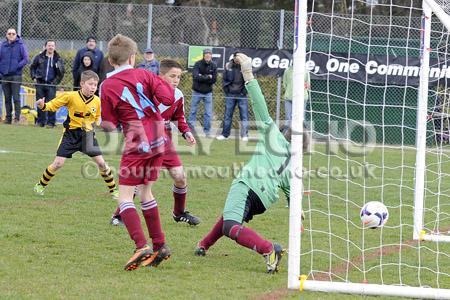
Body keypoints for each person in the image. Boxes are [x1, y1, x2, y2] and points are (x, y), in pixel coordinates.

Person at [194, 53, 307, 274]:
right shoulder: (294, 162)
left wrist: (247, 71)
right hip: (264, 201)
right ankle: (204, 244)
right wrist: (299, 211)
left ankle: (268, 249)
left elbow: (259, 102)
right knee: (230, 215)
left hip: (248, 184)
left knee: (230, 226)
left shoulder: (272, 133)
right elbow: (293, 193)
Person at [100, 34, 175, 271]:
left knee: (124, 197)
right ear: (133, 57)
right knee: (145, 193)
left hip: (137, 142)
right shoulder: (144, 74)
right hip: (160, 138)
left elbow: (110, 123)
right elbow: (167, 97)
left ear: (110, 61)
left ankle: (141, 246)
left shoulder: (107, 85)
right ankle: (160, 245)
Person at [110, 59, 200, 227]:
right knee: (138, 180)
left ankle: (179, 212)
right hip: (144, 137)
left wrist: (186, 132)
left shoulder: (178, 95)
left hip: (164, 138)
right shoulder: (146, 91)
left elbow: (179, 117)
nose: (176, 80)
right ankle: (119, 215)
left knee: (180, 176)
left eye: (179, 77)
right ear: (160, 76)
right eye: (172, 76)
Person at [33, 70, 118, 201]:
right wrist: (42, 105)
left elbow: (96, 119)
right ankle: (40, 185)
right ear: (82, 84)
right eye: (90, 84)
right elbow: (52, 105)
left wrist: (99, 126)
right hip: (70, 135)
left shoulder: (97, 101)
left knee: (101, 163)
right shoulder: (70, 96)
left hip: (88, 136)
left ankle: (114, 190)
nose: (93, 87)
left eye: (95, 85)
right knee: (58, 163)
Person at [30, 40, 65, 128]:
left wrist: (55, 82)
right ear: (45, 46)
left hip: (51, 85)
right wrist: (34, 77)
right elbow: (32, 67)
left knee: (52, 104)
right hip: (40, 84)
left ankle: (51, 123)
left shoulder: (58, 59)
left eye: (52, 45)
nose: (50, 47)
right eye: (49, 45)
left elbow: (61, 72)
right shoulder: (39, 57)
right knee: (40, 103)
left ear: (55, 47)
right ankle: (40, 122)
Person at [216, 56, 249, 141]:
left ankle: (244, 135)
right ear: (233, 59)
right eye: (236, 58)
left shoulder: (244, 66)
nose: (237, 59)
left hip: (242, 95)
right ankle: (225, 135)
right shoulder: (228, 66)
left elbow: (248, 80)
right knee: (227, 115)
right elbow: (224, 79)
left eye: (239, 58)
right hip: (230, 94)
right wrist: (227, 90)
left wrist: (244, 91)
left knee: (244, 116)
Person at [0, 28, 29, 124]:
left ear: (16, 35)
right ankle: (8, 119)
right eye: (9, 33)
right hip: (4, 76)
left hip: (16, 75)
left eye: (13, 33)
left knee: (16, 98)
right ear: (6, 35)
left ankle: (16, 118)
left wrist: (16, 66)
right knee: (7, 98)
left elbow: (25, 59)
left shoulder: (21, 45)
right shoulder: (2, 45)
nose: (11, 35)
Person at [188, 48, 217, 137]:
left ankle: (207, 131)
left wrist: (203, 77)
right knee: (193, 111)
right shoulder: (197, 64)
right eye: (206, 54)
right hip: (197, 91)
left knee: (208, 113)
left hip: (208, 92)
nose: (208, 56)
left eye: (209, 54)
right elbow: (196, 77)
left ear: (211, 56)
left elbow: (214, 80)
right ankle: (190, 131)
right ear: (203, 55)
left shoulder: (213, 65)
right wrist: (208, 77)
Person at [282, 64, 310, 133]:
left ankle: (304, 135)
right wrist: (290, 91)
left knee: (301, 118)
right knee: (288, 118)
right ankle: (285, 136)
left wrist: (301, 91)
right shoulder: (287, 71)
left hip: (302, 98)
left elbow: (307, 84)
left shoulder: (305, 71)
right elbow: (284, 84)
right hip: (289, 98)